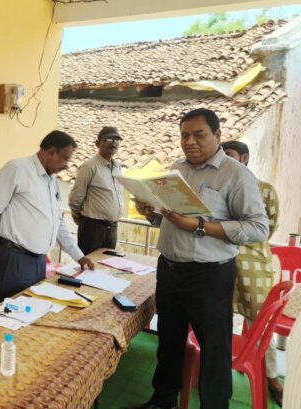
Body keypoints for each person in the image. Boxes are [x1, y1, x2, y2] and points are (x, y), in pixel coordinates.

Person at [130, 108, 268, 409]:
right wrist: (151, 213)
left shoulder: (236, 174)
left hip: (209, 276)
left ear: (217, 135)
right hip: (170, 269)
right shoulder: (177, 168)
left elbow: (258, 228)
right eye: (184, 135)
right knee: (169, 339)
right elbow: (170, 219)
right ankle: (163, 401)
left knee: (214, 349)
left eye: (198, 134)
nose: (189, 141)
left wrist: (201, 226)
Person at [0, 130, 95, 303]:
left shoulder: (51, 181)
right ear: (51, 152)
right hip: (14, 259)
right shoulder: (17, 169)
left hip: (38, 261)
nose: (67, 165)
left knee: (33, 311)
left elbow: (57, 223)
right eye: (65, 158)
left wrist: (79, 256)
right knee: (12, 314)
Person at [220, 139, 282, 405]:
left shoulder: (264, 190)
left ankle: (271, 377)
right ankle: (214, 369)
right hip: (222, 262)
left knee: (260, 322)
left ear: (244, 158)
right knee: (218, 318)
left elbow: (269, 228)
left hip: (254, 266)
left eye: (230, 154)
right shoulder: (220, 187)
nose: (225, 159)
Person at [69, 126, 124, 255]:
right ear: (98, 143)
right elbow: (75, 198)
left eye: (116, 140)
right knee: (89, 264)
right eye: (108, 139)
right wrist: (83, 221)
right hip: (92, 229)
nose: (113, 143)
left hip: (112, 228)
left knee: (107, 263)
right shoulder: (89, 166)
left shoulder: (118, 166)